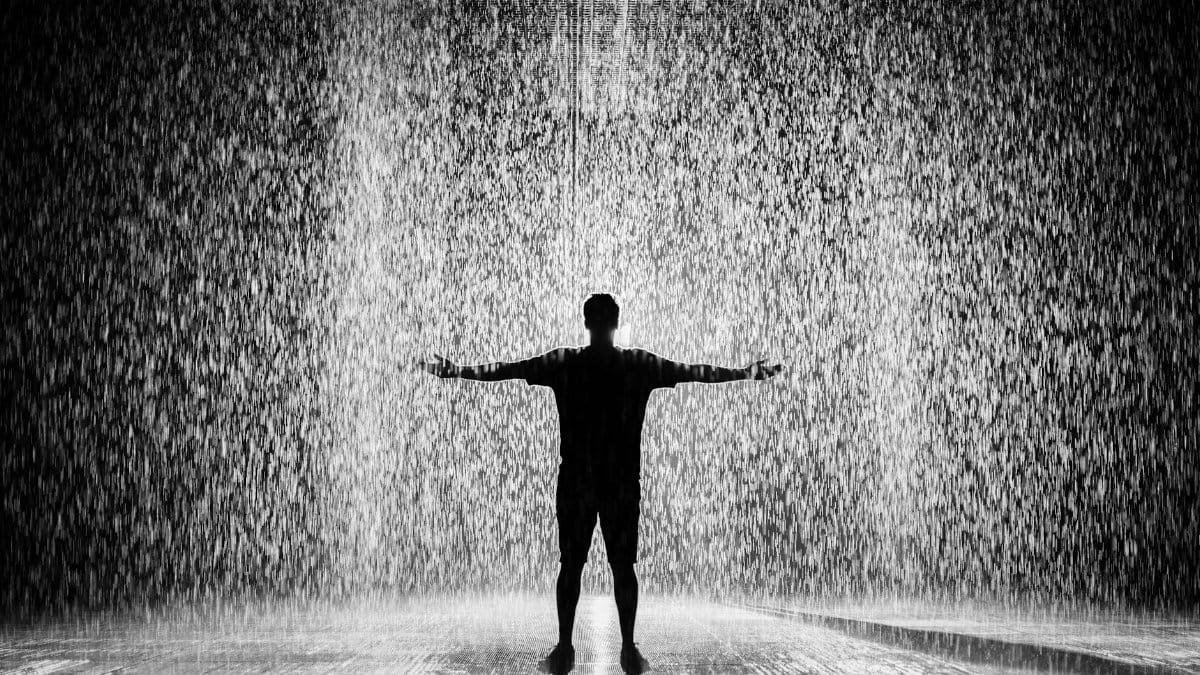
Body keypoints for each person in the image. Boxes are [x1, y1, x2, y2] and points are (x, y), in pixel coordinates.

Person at [418, 293, 782, 674]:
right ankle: (627, 648)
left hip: (577, 479)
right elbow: (695, 371)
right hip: (620, 481)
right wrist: (743, 372)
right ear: (617, 322)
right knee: (623, 567)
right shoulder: (638, 365)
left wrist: (457, 370)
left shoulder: (565, 363)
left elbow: (505, 369)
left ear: (587, 322)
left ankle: (564, 646)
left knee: (571, 565)